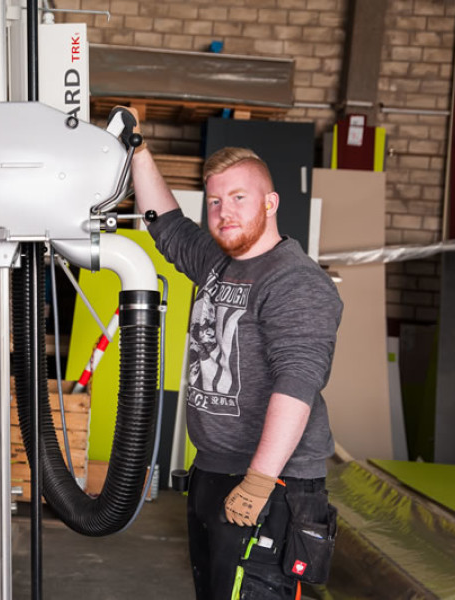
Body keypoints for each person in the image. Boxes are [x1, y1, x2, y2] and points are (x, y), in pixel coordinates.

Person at [122, 109, 343, 599]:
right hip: (212, 471)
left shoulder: (295, 281)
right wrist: (137, 149)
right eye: (217, 201)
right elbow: (168, 225)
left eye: (239, 198)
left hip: (273, 485)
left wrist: (260, 480)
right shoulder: (219, 263)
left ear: (271, 202)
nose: (224, 212)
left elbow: (297, 384)